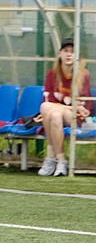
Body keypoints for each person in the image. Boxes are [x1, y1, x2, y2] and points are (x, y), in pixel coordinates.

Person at [40, 40, 89, 175]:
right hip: (59, 113)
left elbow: (83, 106)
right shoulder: (52, 74)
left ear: (78, 56)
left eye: (72, 52)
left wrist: (72, 109)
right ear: (59, 54)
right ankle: (61, 161)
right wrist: (71, 107)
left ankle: (50, 156)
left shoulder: (83, 75)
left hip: (77, 117)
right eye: (66, 51)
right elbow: (49, 98)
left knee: (45, 108)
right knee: (53, 114)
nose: (69, 55)